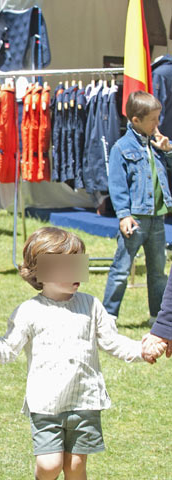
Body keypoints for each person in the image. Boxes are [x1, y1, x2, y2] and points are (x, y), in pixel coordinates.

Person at [0, 227, 154, 480]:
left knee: (75, 465)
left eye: (78, 264)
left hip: (85, 400)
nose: (76, 274)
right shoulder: (29, 311)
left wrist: (142, 350)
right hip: (45, 404)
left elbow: (113, 343)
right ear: (39, 272)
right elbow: (7, 351)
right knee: (49, 465)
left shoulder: (91, 305)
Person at [103, 91, 172, 324]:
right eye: (153, 119)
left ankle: (158, 318)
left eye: (158, 118)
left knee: (158, 273)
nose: (157, 123)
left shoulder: (157, 144)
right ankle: (109, 317)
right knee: (121, 270)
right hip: (135, 220)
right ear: (136, 120)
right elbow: (117, 184)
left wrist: (168, 150)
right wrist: (123, 215)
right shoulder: (121, 148)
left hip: (157, 220)